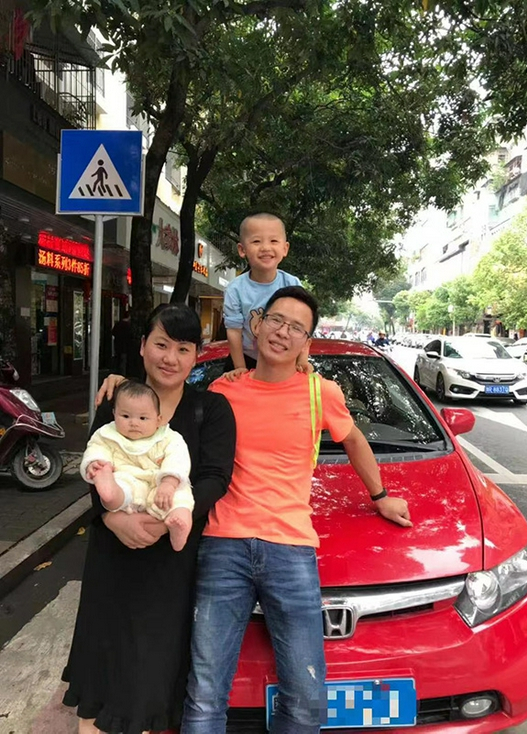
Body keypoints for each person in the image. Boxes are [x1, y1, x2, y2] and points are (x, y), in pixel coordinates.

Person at [182, 286, 412, 734]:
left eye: (296, 327)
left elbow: (354, 440)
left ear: (306, 342)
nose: (282, 332)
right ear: (257, 324)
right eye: (276, 320)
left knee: (306, 700)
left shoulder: (319, 392)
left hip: (290, 549)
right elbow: (169, 416)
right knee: (205, 695)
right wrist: (120, 390)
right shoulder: (223, 389)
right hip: (223, 545)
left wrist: (381, 496)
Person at [62, 303, 236, 734]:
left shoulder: (211, 409)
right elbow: (96, 463)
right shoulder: (115, 402)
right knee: (101, 674)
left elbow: (215, 478)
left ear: (196, 356)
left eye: (183, 348)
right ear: (142, 346)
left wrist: (161, 524)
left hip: (170, 564)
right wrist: (111, 519)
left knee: (148, 676)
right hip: (112, 560)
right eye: (161, 344)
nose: (170, 358)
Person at [80, 379, 194, 552]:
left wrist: (169, 482)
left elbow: (178, 458)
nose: (134, 423)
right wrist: (96, 463)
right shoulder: (108, 434)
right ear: (114, 413)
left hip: (161, 484)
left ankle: (179, 525)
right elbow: (97, 447)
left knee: (181, 495)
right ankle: (110, 495)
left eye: (143, 418)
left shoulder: (168, 437)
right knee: (120, 485)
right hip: (128, 477)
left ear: (158, 420)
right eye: (125, 416)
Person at [222, 212, 309, 376]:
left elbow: (303, 325)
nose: (266, 248)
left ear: (285, 248)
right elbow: (234, 331)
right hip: (246, 358)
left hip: (283, 358)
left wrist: (302, 360)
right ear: (242, 249)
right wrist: (239, 367)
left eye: (273, 241)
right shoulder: (235, 289)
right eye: (256, 241)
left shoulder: (292, 284)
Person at [112, 310, 131, 374]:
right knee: (123, 361)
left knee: (118, 359)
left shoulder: (118, 324)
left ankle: (116, 371)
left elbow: (113, 332)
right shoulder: (128, 325)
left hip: (117, 344)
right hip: (125, 346)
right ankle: (122, 373)